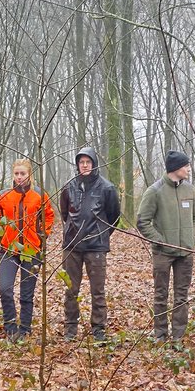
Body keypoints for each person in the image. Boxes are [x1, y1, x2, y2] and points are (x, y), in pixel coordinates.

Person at [137, 151, 195, 342]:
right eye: (186, 165)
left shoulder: (190, 189)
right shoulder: (154, 191)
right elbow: (142, 221)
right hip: (162, 254)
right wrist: (160, 240)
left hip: (186, 253)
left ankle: (178, 336)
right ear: (176, 168)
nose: (189, 169)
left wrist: (194, 237)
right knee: (161, 295)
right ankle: (160, 334)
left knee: (182, 296)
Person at [0, 158, 55, 340]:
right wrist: (0, 235)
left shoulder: (39, 195)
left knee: (27, 293)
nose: (19, 177)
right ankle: (10, 327)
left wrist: (43, 235)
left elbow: (49, 216)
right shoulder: (3, 194)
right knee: (5, 288)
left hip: (31, 250)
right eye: (16, 174)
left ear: (29, 175)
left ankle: (24, 329)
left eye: (23, 174)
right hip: (8, 250)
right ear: (13, 175)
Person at [59, 146, 121, 341]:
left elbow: (114, 216)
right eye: (81, 162)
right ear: (77, 165)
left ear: (94, 164)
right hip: (72, 246)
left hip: (96, 246)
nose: (84, 165)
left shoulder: (106, 188)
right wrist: (72, 230)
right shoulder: (69, 186)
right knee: (71, 290)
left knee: (98, 291)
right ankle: (70, 328)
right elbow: (64, 213)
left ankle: (99, 329)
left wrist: (101, 234)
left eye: (88, 162)